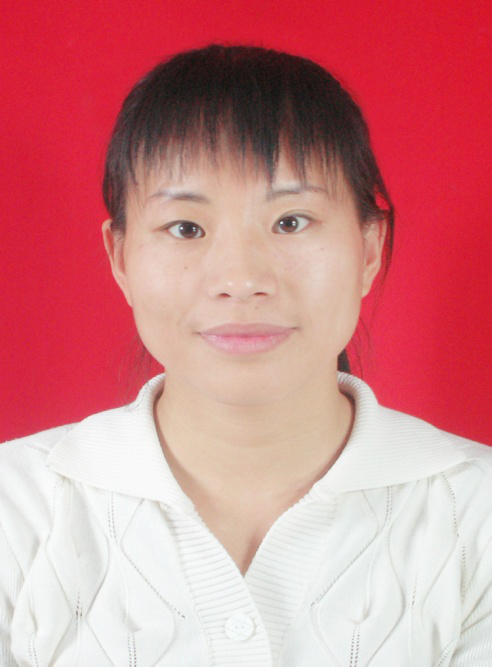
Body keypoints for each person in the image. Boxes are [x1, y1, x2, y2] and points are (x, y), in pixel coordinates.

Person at [1, 44, 491, 667]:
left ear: (370, 249)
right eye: (186, 228)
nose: (240, 279)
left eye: (291, 221)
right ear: (120, 257)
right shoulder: (15, 509)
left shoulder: (477, 516)